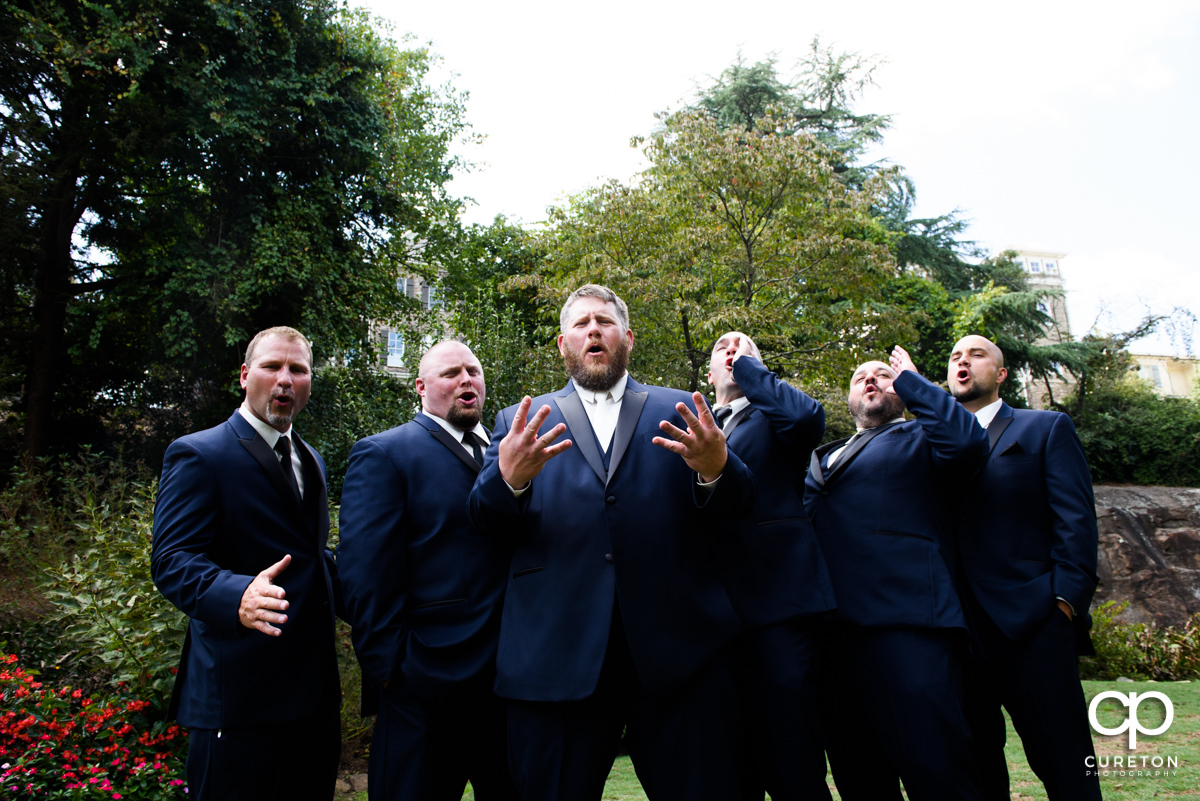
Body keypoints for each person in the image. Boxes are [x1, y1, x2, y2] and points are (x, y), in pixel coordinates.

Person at [467, 284, 756, 801]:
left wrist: (718, 469)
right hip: (556, 659)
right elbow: (484, 524)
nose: (593, 330)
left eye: (604, 321)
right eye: (581, 324)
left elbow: (739, 510)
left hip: (679, 659)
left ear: (628, 337)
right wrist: (508, 481)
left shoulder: (681, 407)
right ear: (563, 344)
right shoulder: (519, 420)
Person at [151, 326, 341, 801]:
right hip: (237, 701)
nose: (285, 379)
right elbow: (172, 560)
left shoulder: (310, 459)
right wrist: (236, 594)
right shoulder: (199, 453)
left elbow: (310, 558)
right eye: (272, 366)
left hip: (312, 702)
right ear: (244, 375)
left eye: (298, 370)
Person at [803, 346, 987, 801]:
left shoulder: (923, 437)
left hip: (908, 627)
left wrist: (911, 380)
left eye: (882, 375)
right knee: (858, 775)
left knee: (937, 769)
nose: (870, 380)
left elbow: (967, 441)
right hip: (831, 636)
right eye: (860, 377)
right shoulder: (819, 455)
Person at [337, 340, 518, 801]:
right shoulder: (384, 454)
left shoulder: (509, 454)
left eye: (474, 371)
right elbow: (363, 573)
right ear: (420, 387)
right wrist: (393, 670)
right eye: (451, 373)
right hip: (422, 689)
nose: (466, 380)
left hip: (509, 684)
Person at [947, 334, 1101, 801]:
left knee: (1066, 761)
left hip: (1034, 623)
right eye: (955, 356)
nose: (964, 362)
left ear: (1002, 374)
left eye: (976, 354)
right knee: (977, 767)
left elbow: (1076, 519)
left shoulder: (1044, 428)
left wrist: (1064, 603)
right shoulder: (929, 443)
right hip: (958, 633)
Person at [707, 331, 835, 801]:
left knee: (791, 761)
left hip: (777, 609)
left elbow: (806, 418)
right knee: (732, 768)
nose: (733, 348)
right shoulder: (694, 422)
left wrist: (749, 369)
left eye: (744, 346)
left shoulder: (775, 417)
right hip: (712, 619)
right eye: (723, 347)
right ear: (709, 373)